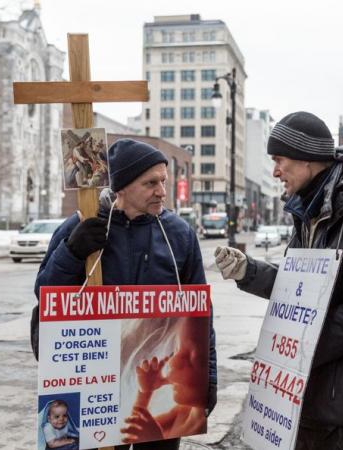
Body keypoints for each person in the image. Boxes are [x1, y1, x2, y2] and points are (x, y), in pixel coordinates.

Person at [214, 112, 343, 450]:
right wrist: (249, 272)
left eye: (280, 160)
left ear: (306, 159)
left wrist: (295, 353)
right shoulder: (311, 214)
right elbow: (298, 290)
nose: (275, 171)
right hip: (307, 400)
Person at [34, 138, 217, 450]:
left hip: (159, 384)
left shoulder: (179, 234)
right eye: (150, 183)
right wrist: (73, 252)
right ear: (122, 187)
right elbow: (46, 295)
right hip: (98, 381)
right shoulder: (81, 226)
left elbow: (200, 313)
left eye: (164, 181)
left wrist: (207, 376)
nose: (162, 191)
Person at [120, 317, 208, 444]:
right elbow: (135, 427)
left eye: (191, 357)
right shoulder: (183, 411)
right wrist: (145, 392)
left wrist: (156, 439)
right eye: (176, 350)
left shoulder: (198, 424)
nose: (172, 361)